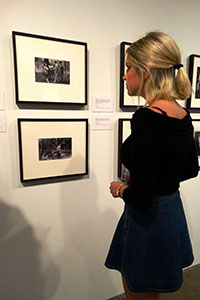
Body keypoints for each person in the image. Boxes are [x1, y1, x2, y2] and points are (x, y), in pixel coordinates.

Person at [105, 32, 199, 300]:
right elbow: (191, 169)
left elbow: (142, 198)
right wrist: (162, 180)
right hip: (170, 212)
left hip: (147, 220)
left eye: (128, 68)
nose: (124, 76)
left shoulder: (146, 118)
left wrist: (120, 188)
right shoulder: (182, 113)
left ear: (145, 72)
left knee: (139, 290)